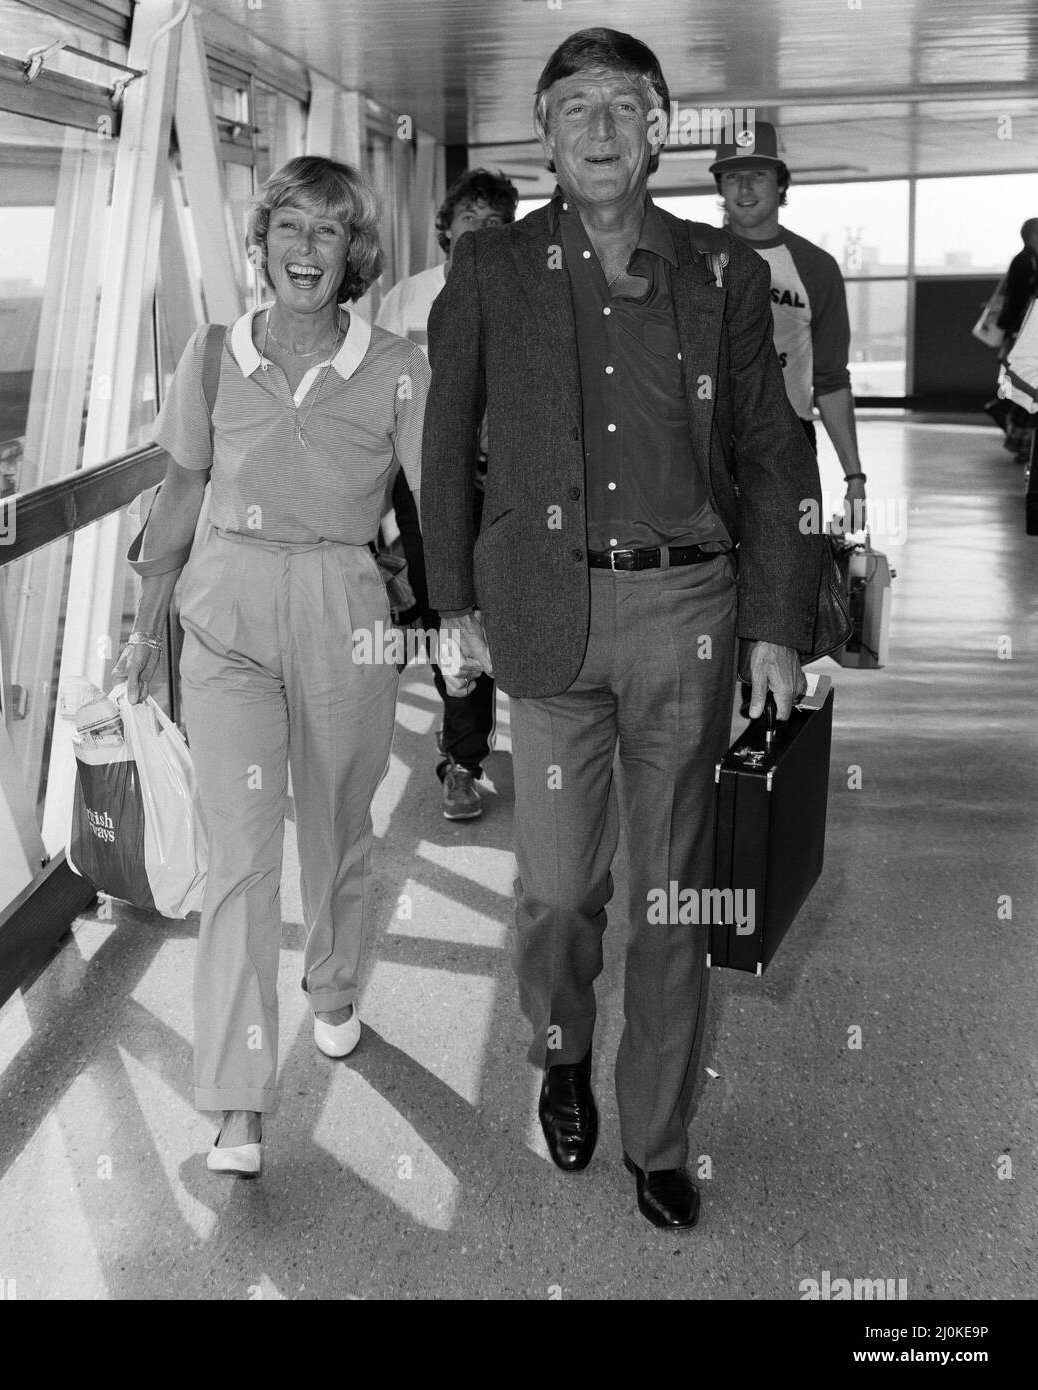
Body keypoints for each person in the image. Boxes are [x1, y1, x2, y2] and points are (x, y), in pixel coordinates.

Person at [421, 27, 822, 1229]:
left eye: (623, 104)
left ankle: (658, 1133)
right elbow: (447, 448)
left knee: (670, 896)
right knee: (554, 893)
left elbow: (770, 451)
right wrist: (448, 605)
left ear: (660, 127)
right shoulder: (490, 272)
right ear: (544, 132)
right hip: (548, 613)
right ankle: (560, 1051)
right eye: (574, 104)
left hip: (689, 614)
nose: (599, 124)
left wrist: (776, 624)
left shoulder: (721, 273)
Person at [115, 155, 429, 1178]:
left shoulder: (398, 367)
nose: (305, 249)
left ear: (354, 255)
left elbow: (441, 506)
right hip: (228, 616)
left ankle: (333, 984)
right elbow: (179, 487)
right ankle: (238, 1102)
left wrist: (463, 616)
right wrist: (144, 608)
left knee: (339, 827)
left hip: (344, 608)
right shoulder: (211, 357)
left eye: (327, 232)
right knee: (241, 856)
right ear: (261, 245)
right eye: (288, 226)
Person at [375, 169, 519, 820]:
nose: (484, 238)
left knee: (513, 613)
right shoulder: (405, 302)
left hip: (510, 483)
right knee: (449, 617)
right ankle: (461, 758)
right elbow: (379, 398)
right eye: (471, 226)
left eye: (497, 227)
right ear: (443, 233)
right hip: (423, 483)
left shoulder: (528, 297)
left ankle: (547, 749)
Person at [712, 122, 867, 529]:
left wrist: (854, 476)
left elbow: (831, 380)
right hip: (706, 433)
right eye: (732, 176)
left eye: (758, 175)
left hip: (788, 437)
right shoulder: (692, 257)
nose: (744, 188)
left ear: (781, 184)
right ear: (720, 188)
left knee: (785, 570)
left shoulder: (816, 267)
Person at [996, 217, 1038, 455]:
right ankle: (1023, 443)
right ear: (1033, 236)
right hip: (1022, 333)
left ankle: (1023, 443)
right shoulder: (1025, 262)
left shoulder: (1027, 261)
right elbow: (1019, 299)